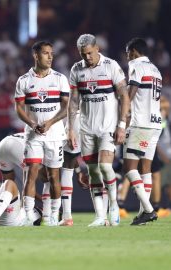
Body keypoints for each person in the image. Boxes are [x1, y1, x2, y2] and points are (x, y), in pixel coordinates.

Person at [68, 34, 129, 226]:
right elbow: (74, 102)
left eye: (89, 53)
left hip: (107, 127)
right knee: (93, 172)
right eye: (83, 54)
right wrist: (71, 129)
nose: (87, 58)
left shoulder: (111, 66)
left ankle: (113, 205)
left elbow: (124, 97)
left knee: (105, 167)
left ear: (97, 49)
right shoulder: (77, 69)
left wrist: (121, 125)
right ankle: (100, 215)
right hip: (87, 128)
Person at [14, 41, 69, 226]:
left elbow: (66, 107)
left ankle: (53, 215)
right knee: (32, 172)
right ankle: (28, 214)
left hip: (55, 135)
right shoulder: (24, 80)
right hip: (33, 135)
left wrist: (51, 122)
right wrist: (32, 123)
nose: (50, 56)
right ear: (36, 56)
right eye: (46, 53)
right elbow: (19, 108)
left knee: (54, 176)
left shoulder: (60, 78)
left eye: (51, 53)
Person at [122, 37, 161, 225]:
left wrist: (122, 118)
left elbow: (131, 93)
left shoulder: (136, 65)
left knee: (129, 168)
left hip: (141, 124)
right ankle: (143, 214)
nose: (127, 56)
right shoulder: (156, 70)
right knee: (145, 169)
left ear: (134, 51)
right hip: (155, 124)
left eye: (128, 52)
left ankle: (149, 209)